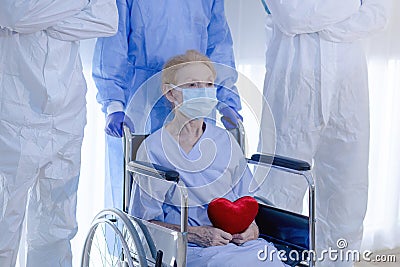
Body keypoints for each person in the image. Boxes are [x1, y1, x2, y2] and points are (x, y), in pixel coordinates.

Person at [258, 1, 390, 266]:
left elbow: (379, 14)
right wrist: (352, 5)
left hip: (347, 92)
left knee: (347, 195)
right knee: (280, 192)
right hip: (293, 88)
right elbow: (290, 16)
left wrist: (318, 20)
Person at [129, 50, 285, 267]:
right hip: (188, 248)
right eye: (193, 85)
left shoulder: (226, 141)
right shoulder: (155, 149)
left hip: (238, 244)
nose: (203, 91)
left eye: (209, 84)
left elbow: (246, 199)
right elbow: (145, 222)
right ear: (171, 93)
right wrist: (195, 234)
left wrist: (252, 229)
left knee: (270, 259)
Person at [92, 0, 243, 210]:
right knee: (140, 189)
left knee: (199, 182)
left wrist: (226, 100)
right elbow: (112, 47)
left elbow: (219, 46)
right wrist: (114, 105)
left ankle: (197, 238)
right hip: (141, 101)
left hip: (194, 94)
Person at [0, 1, 118, 266]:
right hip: (15, 116)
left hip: (68, 114)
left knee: (57, 224)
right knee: (4, 221)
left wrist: (37, 21)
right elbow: (14, 15)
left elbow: (107, 21)